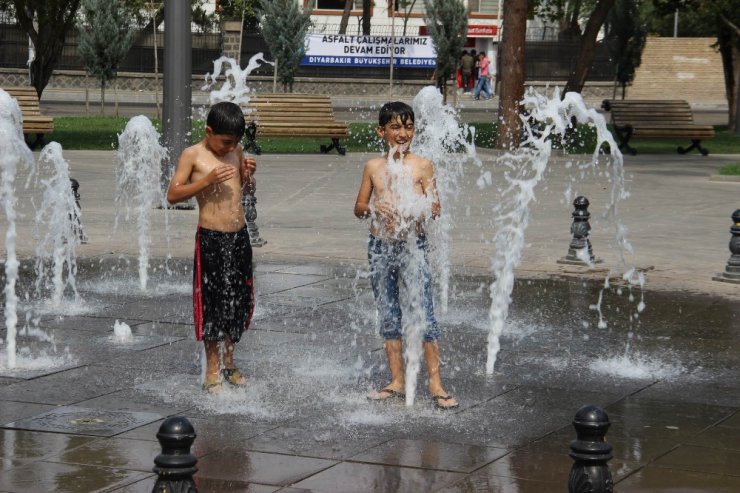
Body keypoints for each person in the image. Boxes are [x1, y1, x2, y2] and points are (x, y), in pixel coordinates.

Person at [353, 101, 459, 410]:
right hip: (379, 247)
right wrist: (374, 207)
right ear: (381, 131)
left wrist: (419, 207)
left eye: (408, 127)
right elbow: (359, 207)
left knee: (423, 311)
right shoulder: (374, 167)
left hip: (413, 246)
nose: (403, 133)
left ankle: (436, 383)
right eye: (396, 127)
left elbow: (436, 208)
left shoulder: (423, 165)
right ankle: (397, 381)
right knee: (389, 313)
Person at [167, 101, 256, 393]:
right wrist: (206, 180)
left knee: (239, 302)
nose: (230, 147)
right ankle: (212, 370)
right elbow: (173, 194)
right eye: (226, 141)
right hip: (211, 238)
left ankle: (230, 363)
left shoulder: (236, 151)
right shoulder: (193, 155)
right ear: (208, 131)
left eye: (235, 142)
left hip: (238, 236)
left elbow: (243, 191)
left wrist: (249, 178)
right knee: (213, 305)